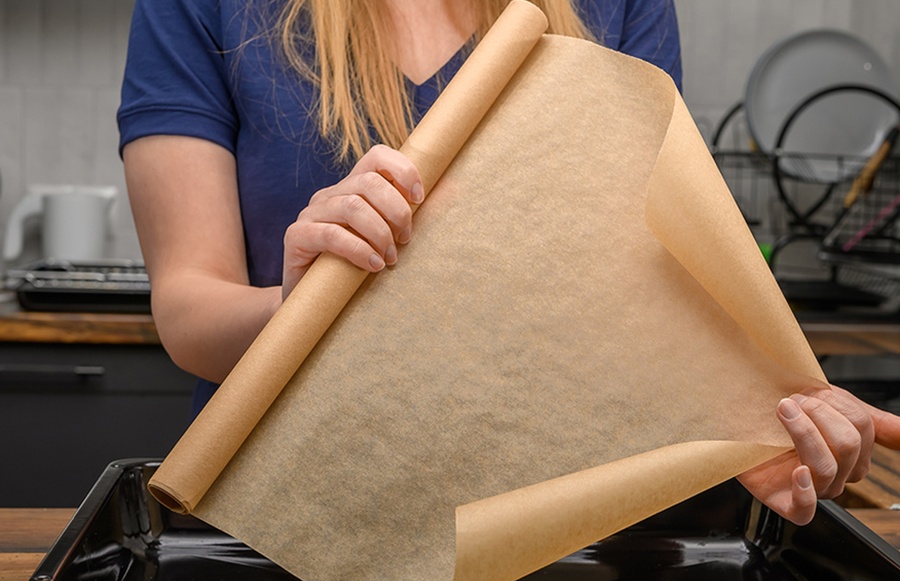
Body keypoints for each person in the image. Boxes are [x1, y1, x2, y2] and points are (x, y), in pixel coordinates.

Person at [118, 0, 900, 528]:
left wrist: (740, 424)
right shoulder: (206, 9)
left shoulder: (619, 6)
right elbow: (189, 309)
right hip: (287, 514)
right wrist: (300, 306)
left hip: (548, 518)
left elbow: (634, 285)